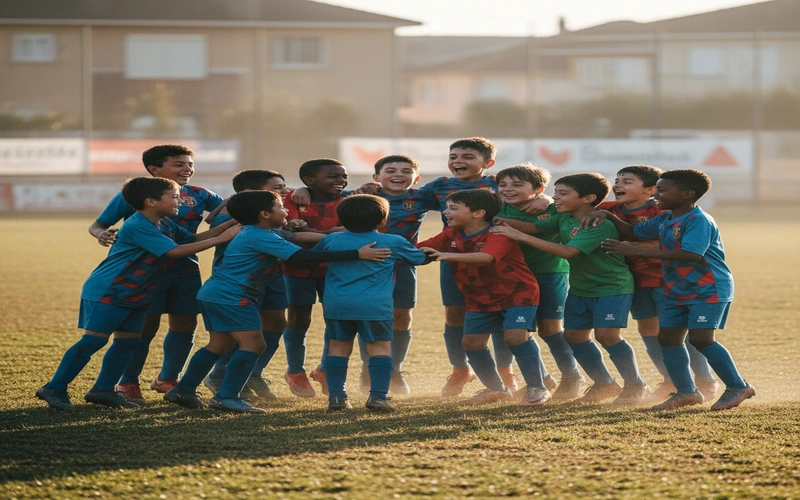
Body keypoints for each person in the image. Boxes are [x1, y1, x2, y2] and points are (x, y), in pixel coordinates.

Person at [164, 190, 390, 413]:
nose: (285, 211)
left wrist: (341, 238)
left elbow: (296, 237)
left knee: (219, 345)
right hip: (233, 297)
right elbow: (300, 257)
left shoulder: (260, 231)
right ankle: (226, 397)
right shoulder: (260, 236)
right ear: (264, 214)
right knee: (254, 345)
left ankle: (183, 390)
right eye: (281, 207)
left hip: (216, 294)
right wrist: (356, 253)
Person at [36, 177, 240, 411]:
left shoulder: (164, 222)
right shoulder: (138, 225)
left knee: (128, 343)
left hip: (138, 292)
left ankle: (102, 390)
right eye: (174, 197)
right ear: (151, 201)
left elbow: (192, 239)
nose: (180, 201)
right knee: (93, 340)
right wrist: (222, 238)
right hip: (110, 290)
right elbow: (173, 252)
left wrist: (228, 226)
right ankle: (54, 388)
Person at [597, 169, 755, 410]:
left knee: (701, 339)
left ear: (686, 194)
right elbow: (632, 232)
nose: (656, 194)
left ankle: (738, 386)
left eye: (661, 190)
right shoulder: (665, 218)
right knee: (668, 338)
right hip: (675, 287)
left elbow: (690, 255)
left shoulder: (698, 220)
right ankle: (685, 392)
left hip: (707, 288)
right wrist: (607, 216)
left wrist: (636, 250)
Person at [491, 173, 650, 405]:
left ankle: (636, 384)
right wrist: (496, 222)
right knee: (573, 335)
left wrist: (517, 235)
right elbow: (533, 227)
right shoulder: (563, 218)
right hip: (580, 288)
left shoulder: (599, 224)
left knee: (607, 335)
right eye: (555, 192)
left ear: (588, 198)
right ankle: (604, 383)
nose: (556, 197)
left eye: (563, 193)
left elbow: (568, 252)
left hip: (611, 287)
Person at [88, 144, 224, 405]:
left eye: (190, 164)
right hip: (144, 273)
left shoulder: (200, 194)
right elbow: (98, 224)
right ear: (155, 169)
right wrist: (101, 234)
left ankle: (168, 379)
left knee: (186, 324)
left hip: (185, 269)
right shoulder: (136, 194)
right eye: (179, 164)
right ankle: (128, 381)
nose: (187, 169)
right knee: (143, 327)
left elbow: (235, 207)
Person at [419, 189, 551, 406]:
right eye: (447, 207)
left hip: (517, 293)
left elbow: (487, 257)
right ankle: (496, 388)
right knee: (471, 343)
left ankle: (537, 387)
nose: (445, 212)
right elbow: (419, 248)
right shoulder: (450, 234)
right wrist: (391, 251)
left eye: (453, 208)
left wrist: (446, 256)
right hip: (479, 298)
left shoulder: (499, 232)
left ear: (478, 213)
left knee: (515, 338)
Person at [315, 194, 431, 412]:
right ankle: (378, 397)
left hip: (337, 305)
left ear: (341, 219)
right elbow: (419, 258)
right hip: (375, 307)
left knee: (338, 347)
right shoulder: (392, 241)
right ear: (383, 220)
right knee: (380, 348)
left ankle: (337, 397)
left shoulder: (331, 240)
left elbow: (315, 257)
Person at [203, 169, 306, 401]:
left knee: (277, 322)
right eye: (277, 188)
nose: (285, 191)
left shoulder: (271, 216)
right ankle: (220, 376)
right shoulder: (233, 219)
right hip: (241, 283)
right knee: (243, 335)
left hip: (271, 277)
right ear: (252, 193)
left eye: (284, 186)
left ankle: (253, 373)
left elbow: (288, 237)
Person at [493, 164, 583, 400]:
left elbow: (536, 229)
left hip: (550, 274)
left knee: (550, 329)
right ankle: (542, 378)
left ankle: (572, 376)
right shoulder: (494, 206)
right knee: (515, 331)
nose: (508, 189)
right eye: (503, 185)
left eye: (517, 185)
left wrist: (544, 200)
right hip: (511, 279)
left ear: (539, 188)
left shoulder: (554, 208)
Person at [353, 155, 438, 395]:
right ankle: (369, 368)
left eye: (406, 171)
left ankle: (394, 369)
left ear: (417, 178)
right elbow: (328, 197)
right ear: (376, 177)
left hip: (403, 264)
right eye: (390, 170)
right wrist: (302, 192)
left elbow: (465, 200)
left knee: (402, 317)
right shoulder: (362, 196)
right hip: (369, 263)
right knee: (371, 316)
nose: (398, 175)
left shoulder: (421, 197)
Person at [281, 158, 350, 398]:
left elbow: (350, 231)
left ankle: (324, 369)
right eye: (333, 176)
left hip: (334, 269)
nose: (340, 180)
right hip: (297, 268)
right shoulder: (291, 199)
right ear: (309, 181)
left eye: (343, 176)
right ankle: (295, 371)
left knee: (336, 319)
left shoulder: (347, 202)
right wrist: (331, 233)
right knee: (299, 318)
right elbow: (289, 230)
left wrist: (311, 232)